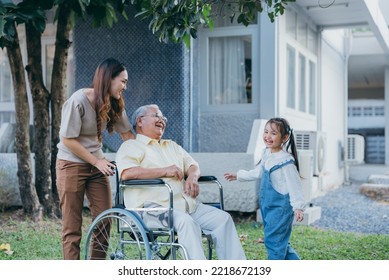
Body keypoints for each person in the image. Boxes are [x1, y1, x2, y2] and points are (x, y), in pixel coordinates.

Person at [115, 104, 246, 260]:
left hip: (185, 206)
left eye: (163, 117)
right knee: (186, 222)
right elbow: (127, 173)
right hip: (150, 210)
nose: (161, 120)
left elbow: (193, 165)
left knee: (223, 219)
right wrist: (164, 171)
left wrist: (192, 177)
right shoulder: (131, 146)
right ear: (140, 121)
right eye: (156, 115)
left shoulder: (171, 145)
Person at [56, 58, 135, 260]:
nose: (125, 87)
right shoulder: (78, 101)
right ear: (109, 79)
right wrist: (97, 162)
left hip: (97, 167)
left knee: (105, 219)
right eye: (123, 81)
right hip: (71, 165)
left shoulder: (113, 103)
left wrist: (149, 155)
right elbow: (68, 140)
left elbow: (128, 136)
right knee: (72, 227)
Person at [224, 117, 305, 260]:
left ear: (285, 137)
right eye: (266, 131)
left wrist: (298, 207)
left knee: (274, 242)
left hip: (280, 209)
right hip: (268, 208)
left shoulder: (285, 162)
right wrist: (239, 175)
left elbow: (295, 186)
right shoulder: (267, 154)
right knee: (279, 242)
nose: (268, 136)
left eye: (273, 133)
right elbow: (258, 172)